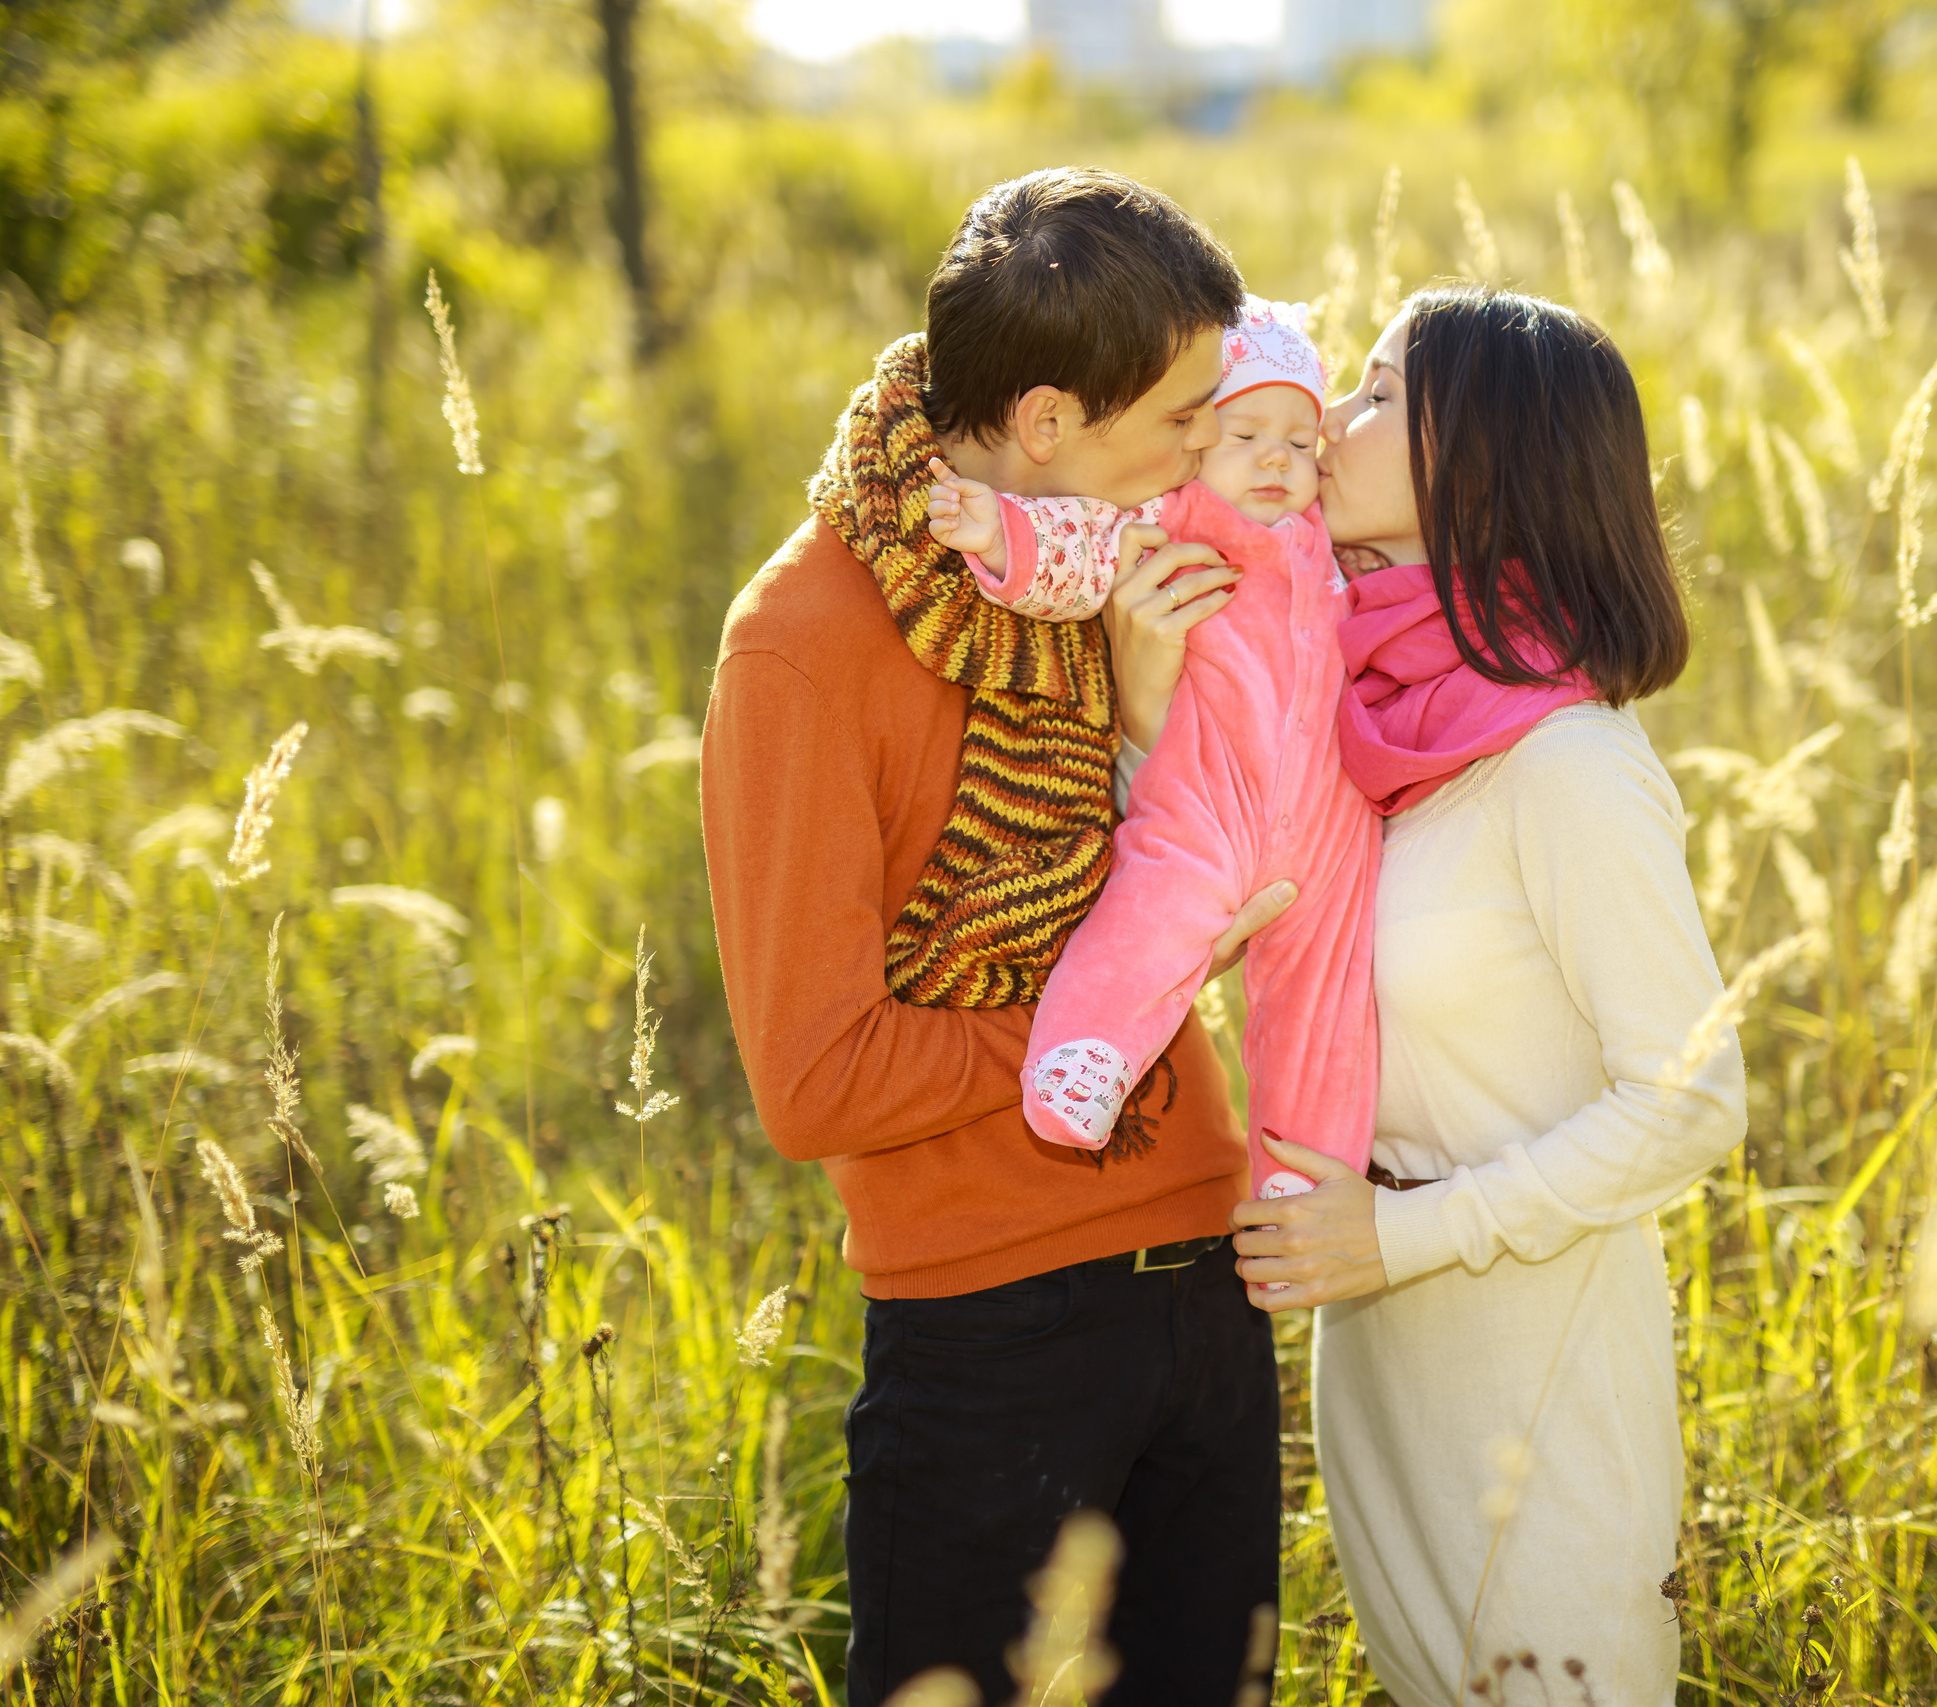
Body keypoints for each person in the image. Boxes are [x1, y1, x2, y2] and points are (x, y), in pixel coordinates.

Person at [698, 167, 1294, 1707]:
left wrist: (1151, 723)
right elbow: (816, 1078)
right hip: (992, 1330)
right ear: (1043, 422)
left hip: (1207, 1283)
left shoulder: (1119, 561)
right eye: (1177, 419)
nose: (1203, 452)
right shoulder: (803, 648)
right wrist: (1118, 1012)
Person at [1219, 287, 1751, 1702]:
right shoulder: (1366, 721)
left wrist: (1403, 1234)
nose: (1333, 419)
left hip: (1534, 1355)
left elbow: (1695, 1098)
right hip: (1380, 1352)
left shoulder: (1567, 762)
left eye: (1384, 392)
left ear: (1492, 461)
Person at [926, 297, 1380, 1202]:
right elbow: (1083, 546)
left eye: (1298, 442)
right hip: (1211, 805)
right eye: (1246, 432)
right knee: (1155, 913)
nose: (1275, 460)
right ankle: (1085, 1055)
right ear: (1197, 442)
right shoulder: (1180, 519)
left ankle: (1303, 1170)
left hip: (1332, 828)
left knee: (1326, 993)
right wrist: (998, 532)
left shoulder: (1333, 541)